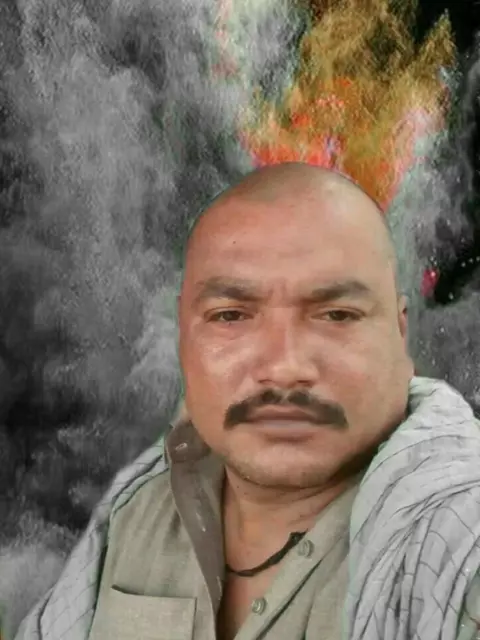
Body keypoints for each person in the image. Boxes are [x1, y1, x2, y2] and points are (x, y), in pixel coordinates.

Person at [12, 162, 480, 640]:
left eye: (337, 315)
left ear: (400, 335)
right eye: (231, 316)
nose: (284, 366)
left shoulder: (457, 535)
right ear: (183, 338)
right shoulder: (137, 513)